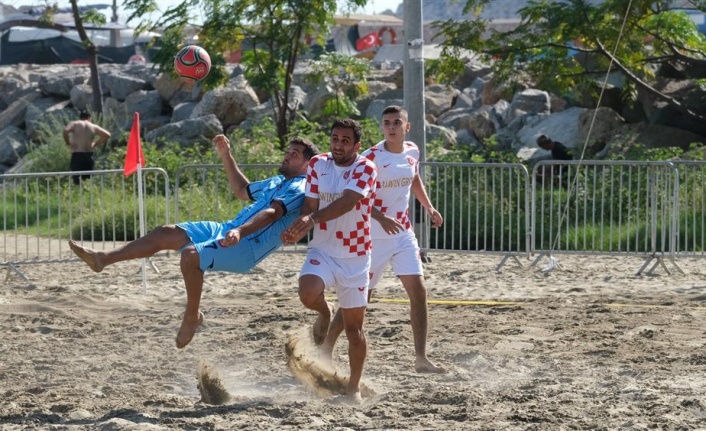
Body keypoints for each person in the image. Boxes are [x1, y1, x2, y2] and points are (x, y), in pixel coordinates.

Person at [69, 134, 319, 349]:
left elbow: (273, 213)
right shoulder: (278, 181)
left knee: (190, 255)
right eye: (288, 152)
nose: (287, 156)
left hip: (247, 244)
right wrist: (226, 154)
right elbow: (242, 190)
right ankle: (103, 259)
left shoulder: (301, 185)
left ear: (308, 164)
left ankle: (192, 316)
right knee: (164, 232)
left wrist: (241, 232)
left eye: (294, 154)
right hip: (227, 228)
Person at [320, 105, 446, 374]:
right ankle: (325, 349)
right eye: (387, 122)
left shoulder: (412, 150)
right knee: (358, 300)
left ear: (406, 127)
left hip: (403, 234)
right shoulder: (370, 157)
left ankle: (421, 358)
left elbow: (413, 179)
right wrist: (381, 218)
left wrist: (429, 206)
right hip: (372, 236)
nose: (391, 127)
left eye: (396, 122)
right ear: (381, 127)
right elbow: (354, 197)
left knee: (419, 291)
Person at [281, 119, 377, 403]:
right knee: (307, 292)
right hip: (323, 249)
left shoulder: (366, 167)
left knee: (354, 330)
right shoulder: (318, 164)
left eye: (345, 140)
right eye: (335, 138)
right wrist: (299, 227)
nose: (338, 144)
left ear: (357, 146)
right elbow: (310, 206)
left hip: (356, 256)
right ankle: (324, 312)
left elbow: (347, 202)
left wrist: (312, 218)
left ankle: (354, 388)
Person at [63, 111, 112, 185]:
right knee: (87, 181)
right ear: (89, 118)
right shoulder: (93, 126)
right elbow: (107, 135)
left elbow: (66, 131)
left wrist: (68, 143)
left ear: (80, 117)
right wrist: (95, 143)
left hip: (77, 154)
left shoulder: (75, 123)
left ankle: (78, 194)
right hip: (89, 155)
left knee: (77, 181)